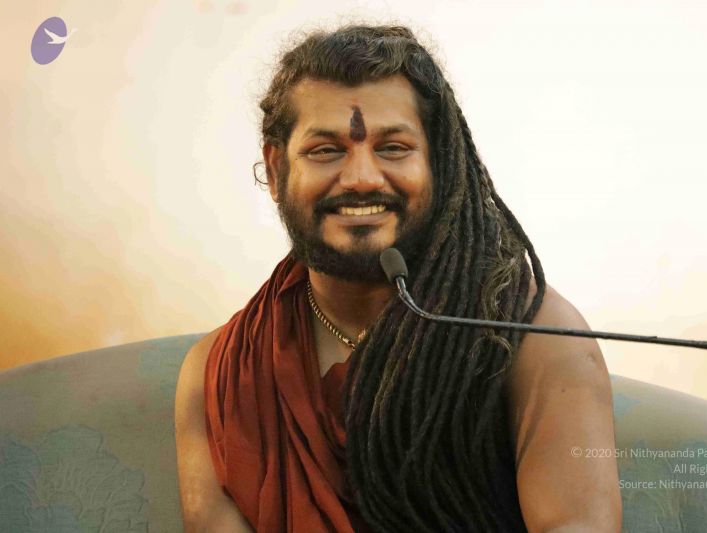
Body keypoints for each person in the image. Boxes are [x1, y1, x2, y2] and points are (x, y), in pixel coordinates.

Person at [175, 24, 621, 533]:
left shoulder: (532, 336)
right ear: (276, 170)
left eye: (392, 148)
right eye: (325, 150)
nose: (362, 178)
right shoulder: (221, 372)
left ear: (439, 164)